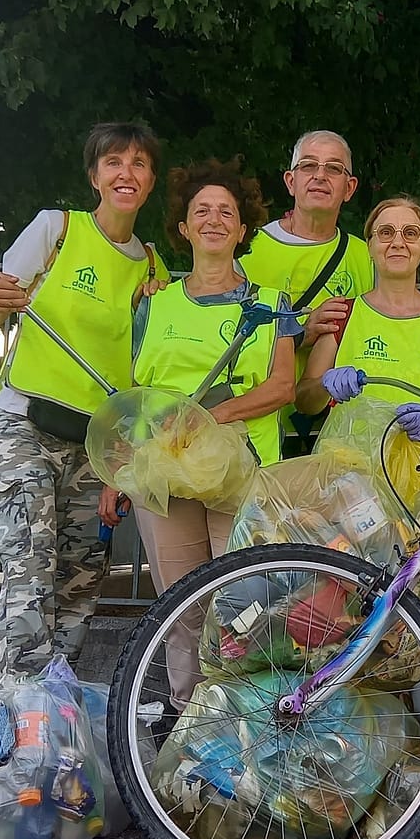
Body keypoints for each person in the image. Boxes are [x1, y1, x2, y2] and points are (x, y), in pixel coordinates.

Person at [0, 122, 168, 679]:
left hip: (95, 444)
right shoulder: (57, 229)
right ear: (95, 176)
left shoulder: (152, 269)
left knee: (80, 585)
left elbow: (144, 377)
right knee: (28, 573)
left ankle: (55, 714)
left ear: (151, 181)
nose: (125, 173)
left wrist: (122, 466)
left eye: (138, 164)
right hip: (27, 425)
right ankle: (14, 712)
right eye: (113, 162)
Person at [131, 158, 299, 707]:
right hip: (165, 472)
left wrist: (215, 416)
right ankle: (188, 732)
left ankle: (245, 724)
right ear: (183, 227)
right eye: (201, 210)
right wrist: (119, 474)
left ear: (243, 228)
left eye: (226, 211)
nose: (213, 219)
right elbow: (134, 394)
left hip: (243, 470)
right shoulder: (152, 305)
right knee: (181, 608)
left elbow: (281, 388)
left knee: (244, 604)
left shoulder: (272, 304)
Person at [239, 130, 374, 455]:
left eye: (333, 168)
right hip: (255, 429)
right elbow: (221, 338)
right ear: (290, 181)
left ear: (349, 187)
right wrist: (300, 332)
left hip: (337, 435)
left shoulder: (367, 257)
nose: (319, 176)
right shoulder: (247, 250)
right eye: (308, 166)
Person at [296, 196, 420, 433]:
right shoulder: (342, 317)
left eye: (410, 233)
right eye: (386, 233)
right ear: (369, 246)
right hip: (348, 465)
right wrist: (324, 386)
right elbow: (304, 402)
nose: (398, 242)